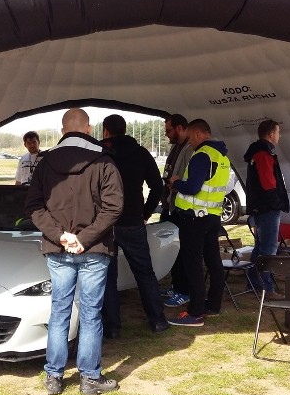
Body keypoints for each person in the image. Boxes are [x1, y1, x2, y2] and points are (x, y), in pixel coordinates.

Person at [25, 108, 124, 395]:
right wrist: (86, 238)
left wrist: (61, 236)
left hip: (59, 248)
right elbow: (114, 207)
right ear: (89, 129)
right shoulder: (104, 161)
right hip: (93, 249)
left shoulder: (44, 162)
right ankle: (90, 378)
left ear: (61, 131)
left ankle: (54, 376)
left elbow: (33, 206)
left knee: (59, 310)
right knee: (91, 313)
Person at [99, 114, 169, 338]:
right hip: (133, 221)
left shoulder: (100, 153)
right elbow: (157, 186)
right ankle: (157, 320)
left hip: (106, 224)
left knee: (108, 276)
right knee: (145, 273)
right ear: (125, 129)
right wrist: (145, 213)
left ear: (106, 131)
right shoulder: (140, 152)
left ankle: (112, 327)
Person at [166, 119, 231, 326]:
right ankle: (212, 305)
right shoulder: (221, 156)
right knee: (213, 261)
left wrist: (176, 183)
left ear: (196, 134)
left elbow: (193, 187)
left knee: (192, 265)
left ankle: (195, 312)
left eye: (190, 140)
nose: (190, 144)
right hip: (212, 216)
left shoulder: (202, 155)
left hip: (194, 218)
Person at [243, 119, 290, 297]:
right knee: (268, 249)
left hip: (260, 207)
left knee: (260, 248)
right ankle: (265, 287)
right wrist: (276, 203)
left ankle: (253, 284)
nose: (280, 135)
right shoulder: (263, 154)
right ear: (271, 134)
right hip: (267, 208)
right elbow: (268, 183)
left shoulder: (258, 153)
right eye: (278, 132)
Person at [160, 114, 194, 304]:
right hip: (171, 205)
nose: (166, 135)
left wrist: (177, 185)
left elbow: (190, 180)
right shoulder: (177, 148)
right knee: (172, 249)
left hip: (183, 208)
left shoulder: (190, 150)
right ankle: (176, 286)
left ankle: (184, 291)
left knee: (183, 251)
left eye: (168, 130)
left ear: (180, 128)